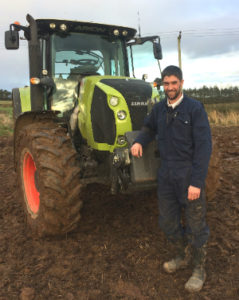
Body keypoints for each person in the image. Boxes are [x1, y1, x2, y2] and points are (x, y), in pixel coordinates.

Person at [131, 65, 212, 292]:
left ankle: (198, 268)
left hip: (188, 173)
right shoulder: (159, 110)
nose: (170, 88)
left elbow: (204, 147)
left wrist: (196, 182)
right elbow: (148, 128)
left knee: (196, 223)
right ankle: (181, 255)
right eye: (166, 84)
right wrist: (139, 141)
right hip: (166, 174)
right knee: (168, 221)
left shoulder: (194, 109)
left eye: (174, 83)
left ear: (182, 83)